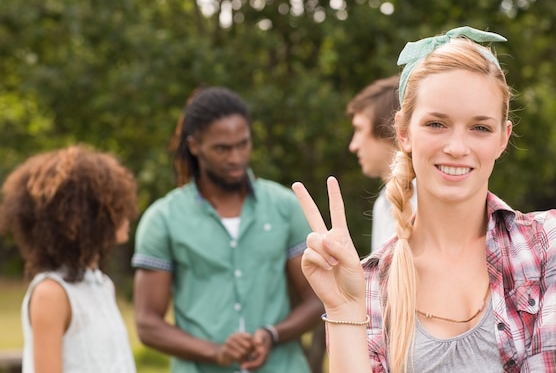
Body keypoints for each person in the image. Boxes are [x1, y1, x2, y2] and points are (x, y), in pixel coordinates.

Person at [292, 26, 556, 373]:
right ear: (404, 133)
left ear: (502, 138)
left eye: (480, 127)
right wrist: (345, 311)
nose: (456, 147)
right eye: (437, 124)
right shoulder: (369, 283)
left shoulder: (549, 241)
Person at [131, 86, 323, 373]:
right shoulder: (163, 219)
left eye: (243, 144)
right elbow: (147, 323)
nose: (236, 158)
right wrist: (216, 352)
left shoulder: (285, 207)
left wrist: (272, 334)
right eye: (222, 148)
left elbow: (318, 298)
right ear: (195, 146)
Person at [0, 145, 138, 373]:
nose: (128, 213)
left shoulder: (101, 284)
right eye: (114, 206)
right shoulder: (52, 292)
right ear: (85, 218)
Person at [347, 76, 416, 252]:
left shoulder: (430, 199)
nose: (353, 146)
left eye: (359, 129)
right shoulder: (382, 203)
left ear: (390, 128)